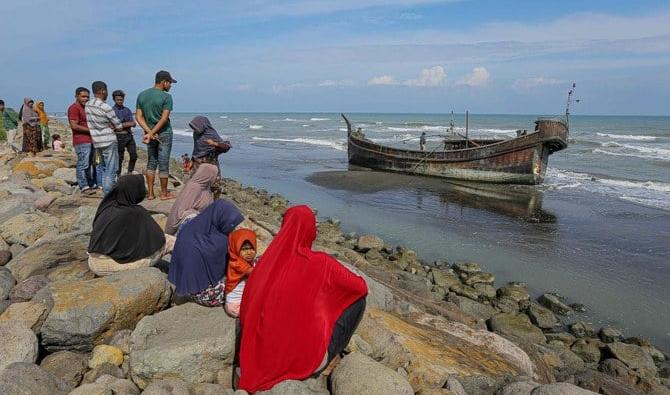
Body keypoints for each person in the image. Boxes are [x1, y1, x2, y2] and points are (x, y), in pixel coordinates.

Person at [238, 205, 368, 392]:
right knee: (358, 301)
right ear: (310, 230)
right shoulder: (321, 263)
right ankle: (327, 360)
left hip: (256, 359)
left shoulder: (265, 264)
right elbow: (361, 287)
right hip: (303, 363)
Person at [87, 174, 175, 276]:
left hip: (93, 262)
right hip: (111, 266)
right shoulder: (136, 212)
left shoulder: (106, 206)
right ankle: (186, 271)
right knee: (169, 241)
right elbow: (159, 238)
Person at [168, 200, 244, 307]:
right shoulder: (219, 241)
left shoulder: (190, 226)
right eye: (230, 224)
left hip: (181, 284)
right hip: (204, 294)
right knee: (245, 284)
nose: (232, 228)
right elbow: (229, 268)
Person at [136, 70, 177, 200]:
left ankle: (151, 194)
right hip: (164, 133)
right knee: (163, 163)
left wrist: (148, 132)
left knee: (151, 162)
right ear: (164, 82)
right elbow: (164, 119)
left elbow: (138, 117)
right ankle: (164, 194)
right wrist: (152, 133)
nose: (170, 86)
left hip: (149, 134)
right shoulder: (166, 97)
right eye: (170, 83)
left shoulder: (141, 95)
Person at [85, 81, 122, 195]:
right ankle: (107, 195)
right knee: (111, 170)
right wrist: (112, 125)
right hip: (109, 141)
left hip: (97, 140)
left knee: (102, 167)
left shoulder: (88, 105)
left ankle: (105, 190)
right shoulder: (106, 107)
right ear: (102, 91)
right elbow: (119, 126)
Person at [165, 163, 218, 236]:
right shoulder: (194, 187)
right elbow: (180, 213)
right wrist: (199, 216)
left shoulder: (206, 187)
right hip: (182, 228)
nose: (216, 177)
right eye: (215, 175)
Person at [190, 116, 230, 196]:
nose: (194, 129)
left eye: (195, 127)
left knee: (215, 185)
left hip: (211, 162)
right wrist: (192, 160)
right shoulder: (196, 134)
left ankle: (214, 204)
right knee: (196, 185)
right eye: (193, 127)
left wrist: (214, 144)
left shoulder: (212, 134)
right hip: (198, 163)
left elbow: (226, 146)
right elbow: (196, 148)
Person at [68, 87, 97, 194]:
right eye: (83, 96)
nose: (86, 99)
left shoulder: (87, 108)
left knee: (91, 163)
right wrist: (92, 130)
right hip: (81, 141)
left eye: (87, 97)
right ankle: (83, 185)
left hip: (91, 140)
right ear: (76, 96)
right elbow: (74, 126)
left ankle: (90, 183)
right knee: (83, 163)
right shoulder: (74, 108)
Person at [224, 228, 258, 318]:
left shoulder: (249, 261)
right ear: (235, 248)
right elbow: (255, 273)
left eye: (252, 248)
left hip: (244, 298)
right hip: (234, 305)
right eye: (244, 249)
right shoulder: (237, 263)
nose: (249, 252)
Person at [112, 90, 138, 175]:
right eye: (117, 99)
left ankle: (130, 172)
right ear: (114, 100)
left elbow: (133, 124)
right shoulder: (111, 111)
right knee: (119, 158)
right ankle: (118, 175)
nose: (119, 101)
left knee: (134, 155)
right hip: (118, 137)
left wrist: (121, 125)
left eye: (121, 99)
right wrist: (126, 124)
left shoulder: (127, 110)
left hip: (129, 135)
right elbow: (112, 126)